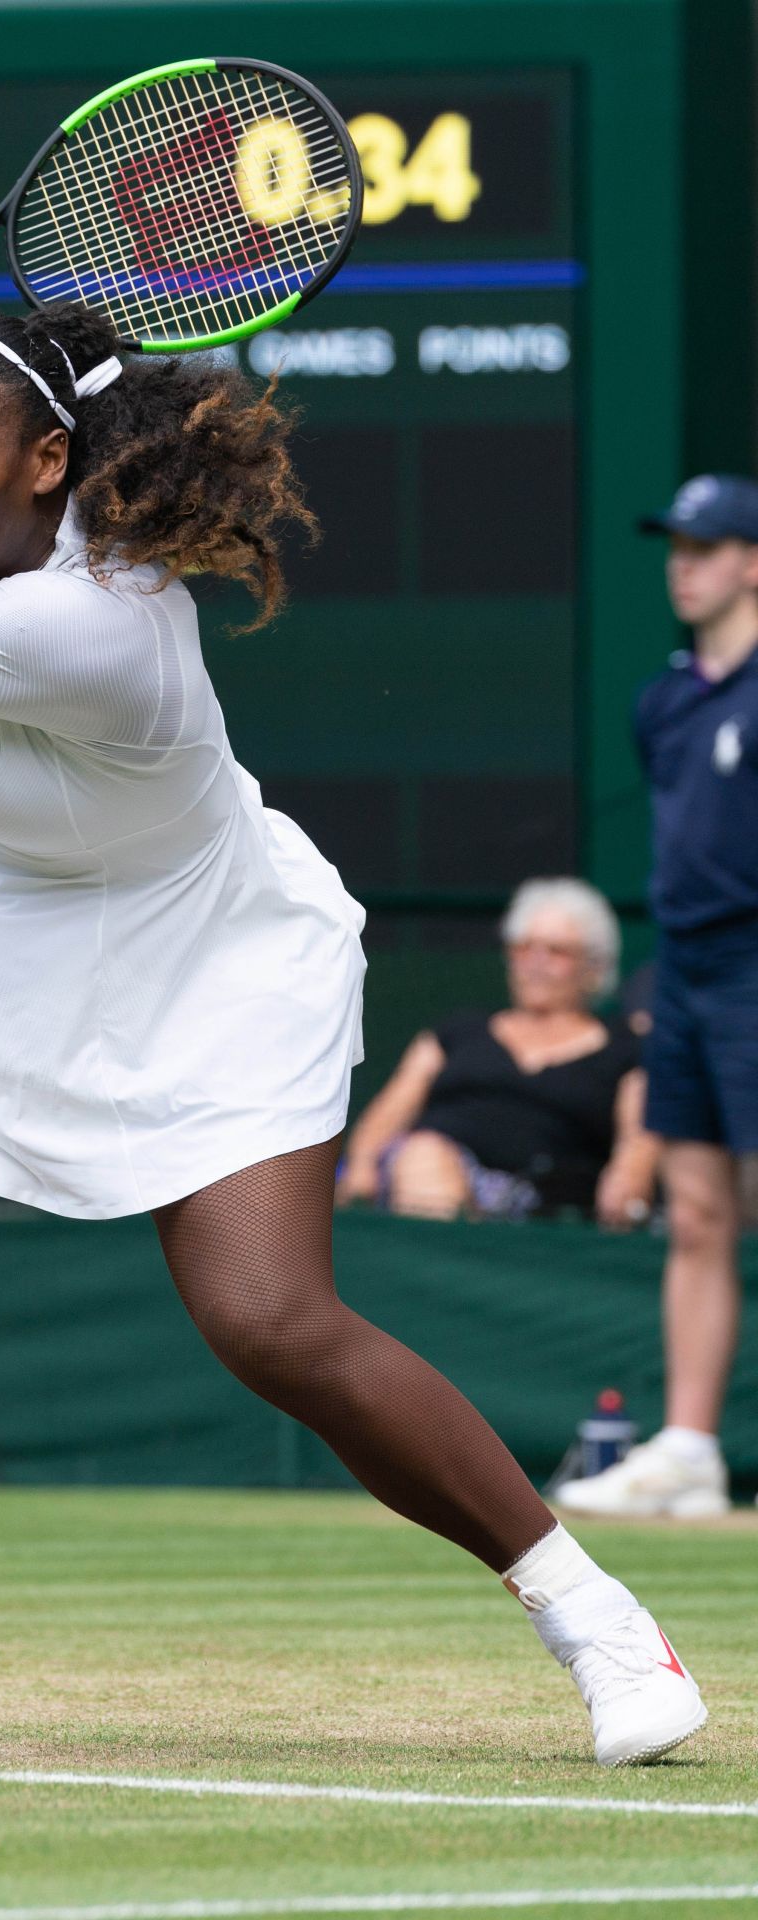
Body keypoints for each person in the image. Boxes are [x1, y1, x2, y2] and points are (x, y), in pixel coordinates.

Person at [0, 292, 706, 1768]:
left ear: (47, 463)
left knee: (272, 1324)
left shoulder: (99, 622)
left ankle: (600, 1622)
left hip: (207, 961)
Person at [557, 474, 758, 1520]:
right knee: (693, 1211)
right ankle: (687, 1449)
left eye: (704, 545)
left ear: (751, 563)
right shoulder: (664, 700)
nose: (681, 563)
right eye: (672, 545)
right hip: (684, 970)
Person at [340, 878, 658, 1225]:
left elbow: (638, 1138)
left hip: (552, 1206)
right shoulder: (459, 1032)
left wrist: (630, 1178)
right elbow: (389, 1112)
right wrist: (362, 1163)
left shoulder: (626, 1047)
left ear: (594, 967)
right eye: (524, 948)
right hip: (428, 1179)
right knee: (423, 1152)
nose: (535, 963)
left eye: (556, 951)